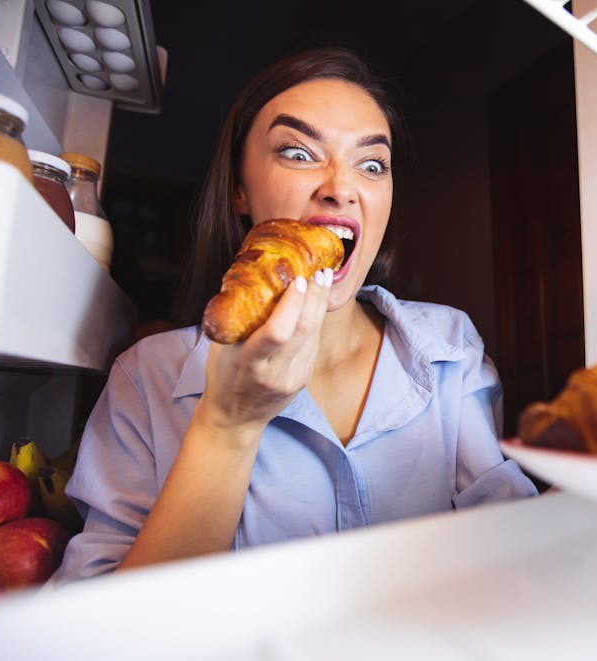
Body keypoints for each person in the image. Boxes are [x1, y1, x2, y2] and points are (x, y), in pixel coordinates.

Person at [53, 47, 538, 582]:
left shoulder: (449, 346)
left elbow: (512, 551)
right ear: (239, 188)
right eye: (299, 153)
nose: (341, 186)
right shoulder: (146, 377)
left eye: (371, 163)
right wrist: (226, 425)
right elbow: (104, 632)